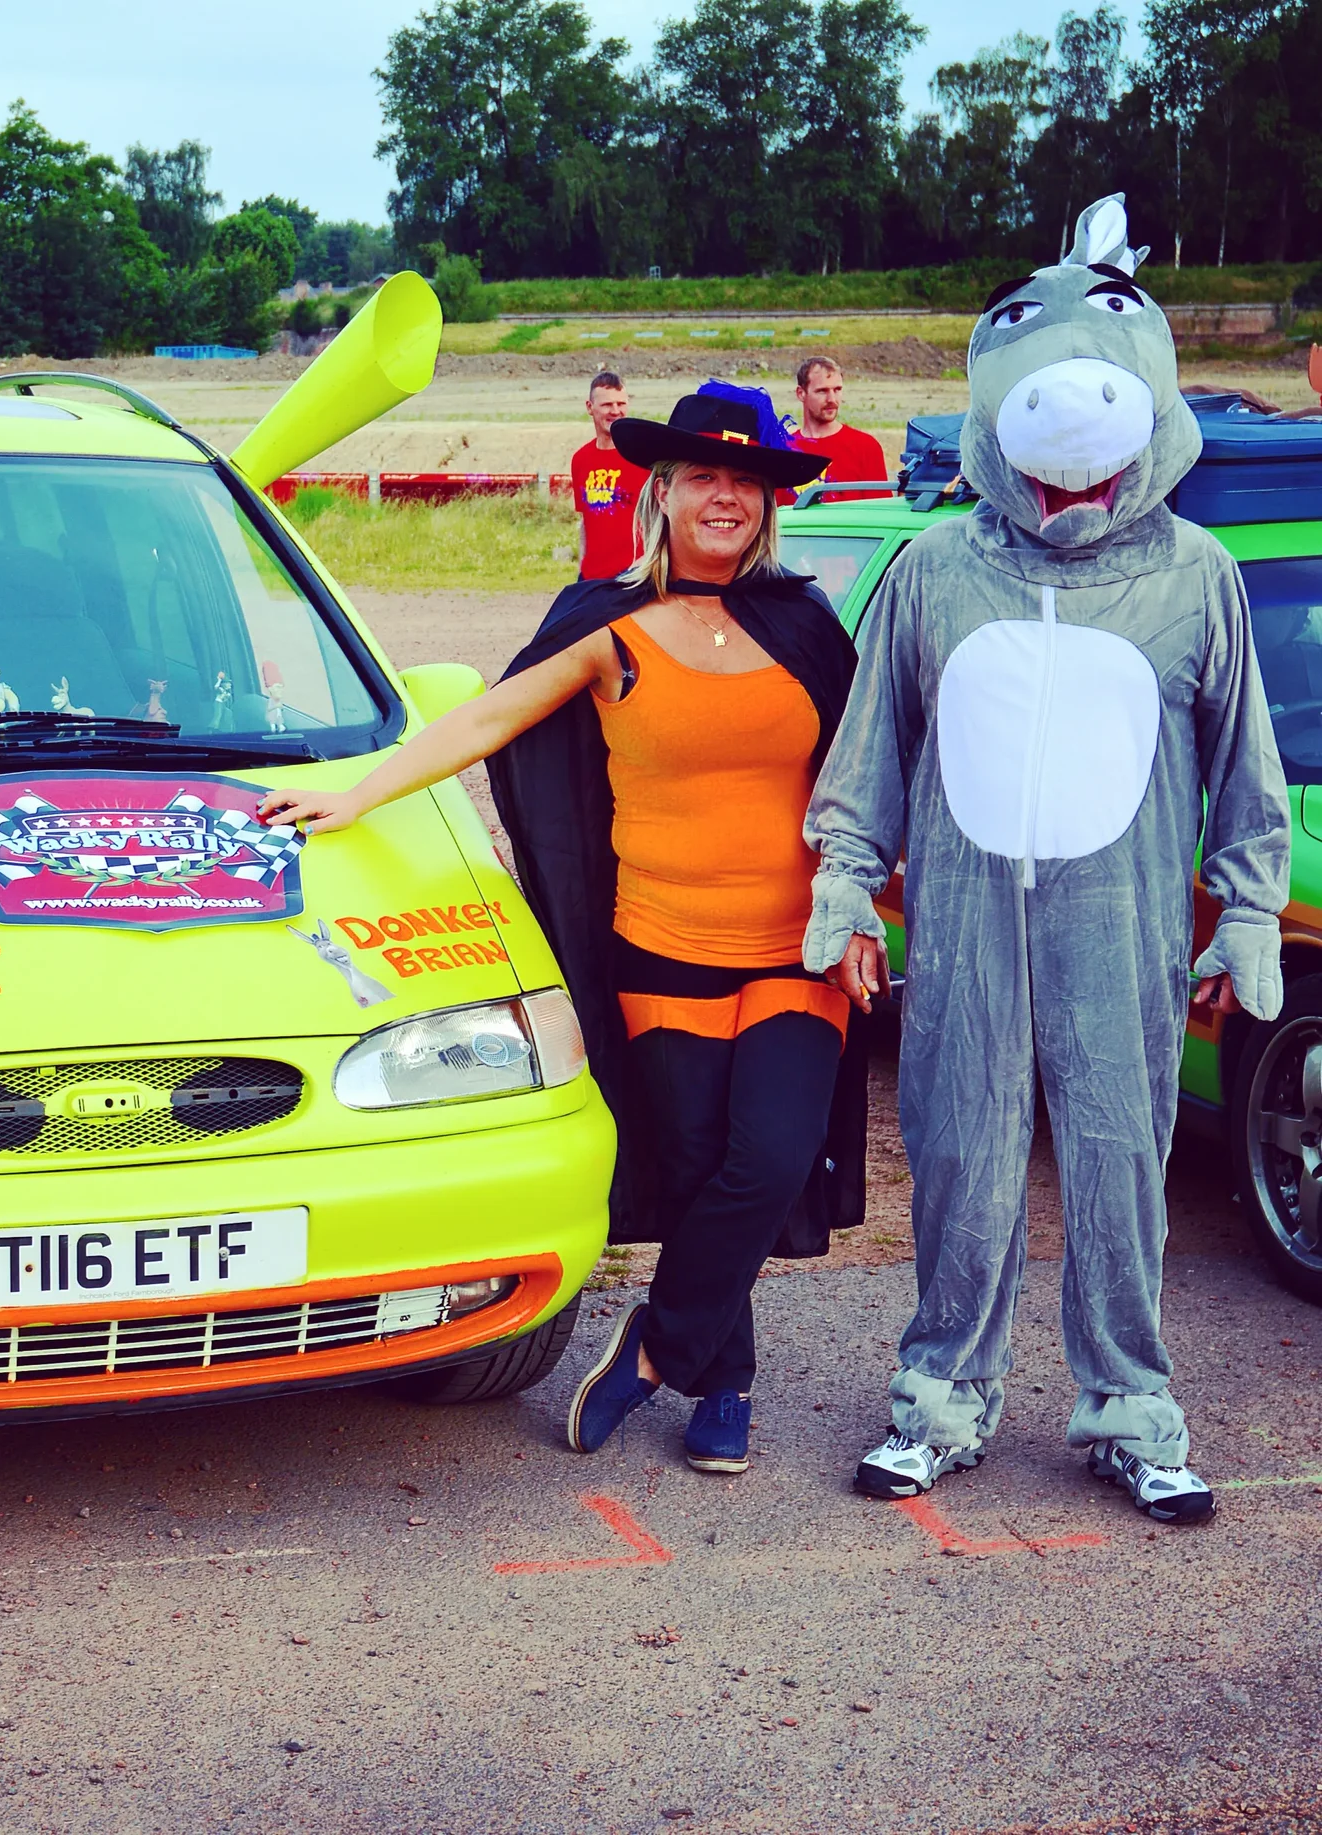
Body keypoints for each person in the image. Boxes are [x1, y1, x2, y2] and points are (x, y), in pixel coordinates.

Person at [262, 383, 864, 1476]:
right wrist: (357, 790)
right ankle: (723, 1378)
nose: (723, 495)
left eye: (746, 479)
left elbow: (870, 774)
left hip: (794, 948)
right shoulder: (606, 624)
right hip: (657, 946)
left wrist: (870, 898)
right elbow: (488, 716)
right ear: (662, 489)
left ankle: (655, 1348)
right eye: (701, 476)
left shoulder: (808, 627)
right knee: (688, 1168)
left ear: (768, 501)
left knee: (770, 1157)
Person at [804, 196, 1288, 1525]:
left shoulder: (1196, 576)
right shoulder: (935, 571)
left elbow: (1246, 767)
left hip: (1120, 922)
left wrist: (1247, 909)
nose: (1071, 469)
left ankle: (1130, 1403)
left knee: (1122, 1152)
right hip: (960, 922)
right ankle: (940, 1395)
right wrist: (847, 881)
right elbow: (873, 752)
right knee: (959, 1149)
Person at [570, 371, 649, 580]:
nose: (616, 411)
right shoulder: (581, 459)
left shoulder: (644, 455)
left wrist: (647, 566)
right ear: (590, 407)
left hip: (634, 574)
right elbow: (586, 522)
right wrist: (581, 568)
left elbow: (666, 520)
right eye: (607, 405)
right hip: (591, 578)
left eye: (621, 404)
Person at [783, 358, 888, 505]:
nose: (832, 399)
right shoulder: (783, 450)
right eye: (822, 391)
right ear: (801, 393)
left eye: (837, 390)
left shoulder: (865, 447)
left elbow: (879, 513)